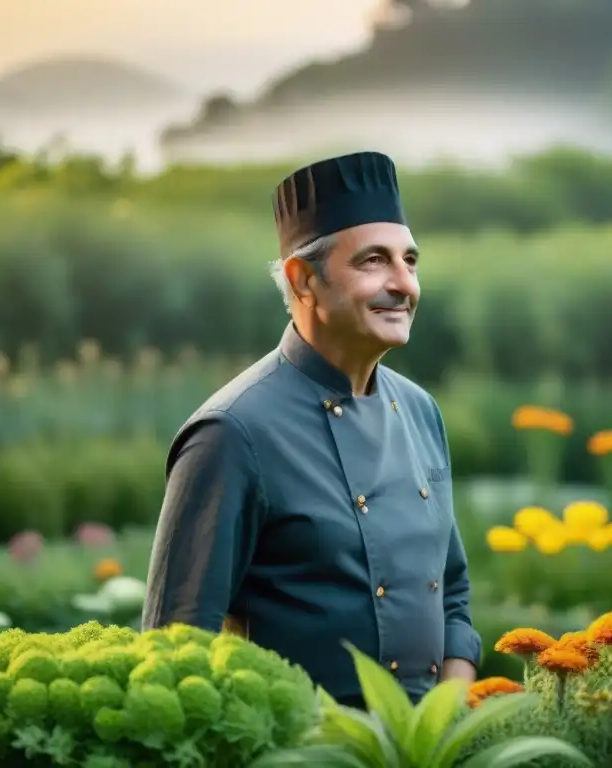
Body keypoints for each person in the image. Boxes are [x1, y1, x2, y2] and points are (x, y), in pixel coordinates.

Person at [141, 151, 481, 708]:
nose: (404, 284)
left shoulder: (421, 412)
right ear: (304, 281)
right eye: (374, 261)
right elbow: (177, 651)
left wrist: (443, 726)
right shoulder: (231, 434)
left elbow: (453, 594)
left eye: (410, 261)